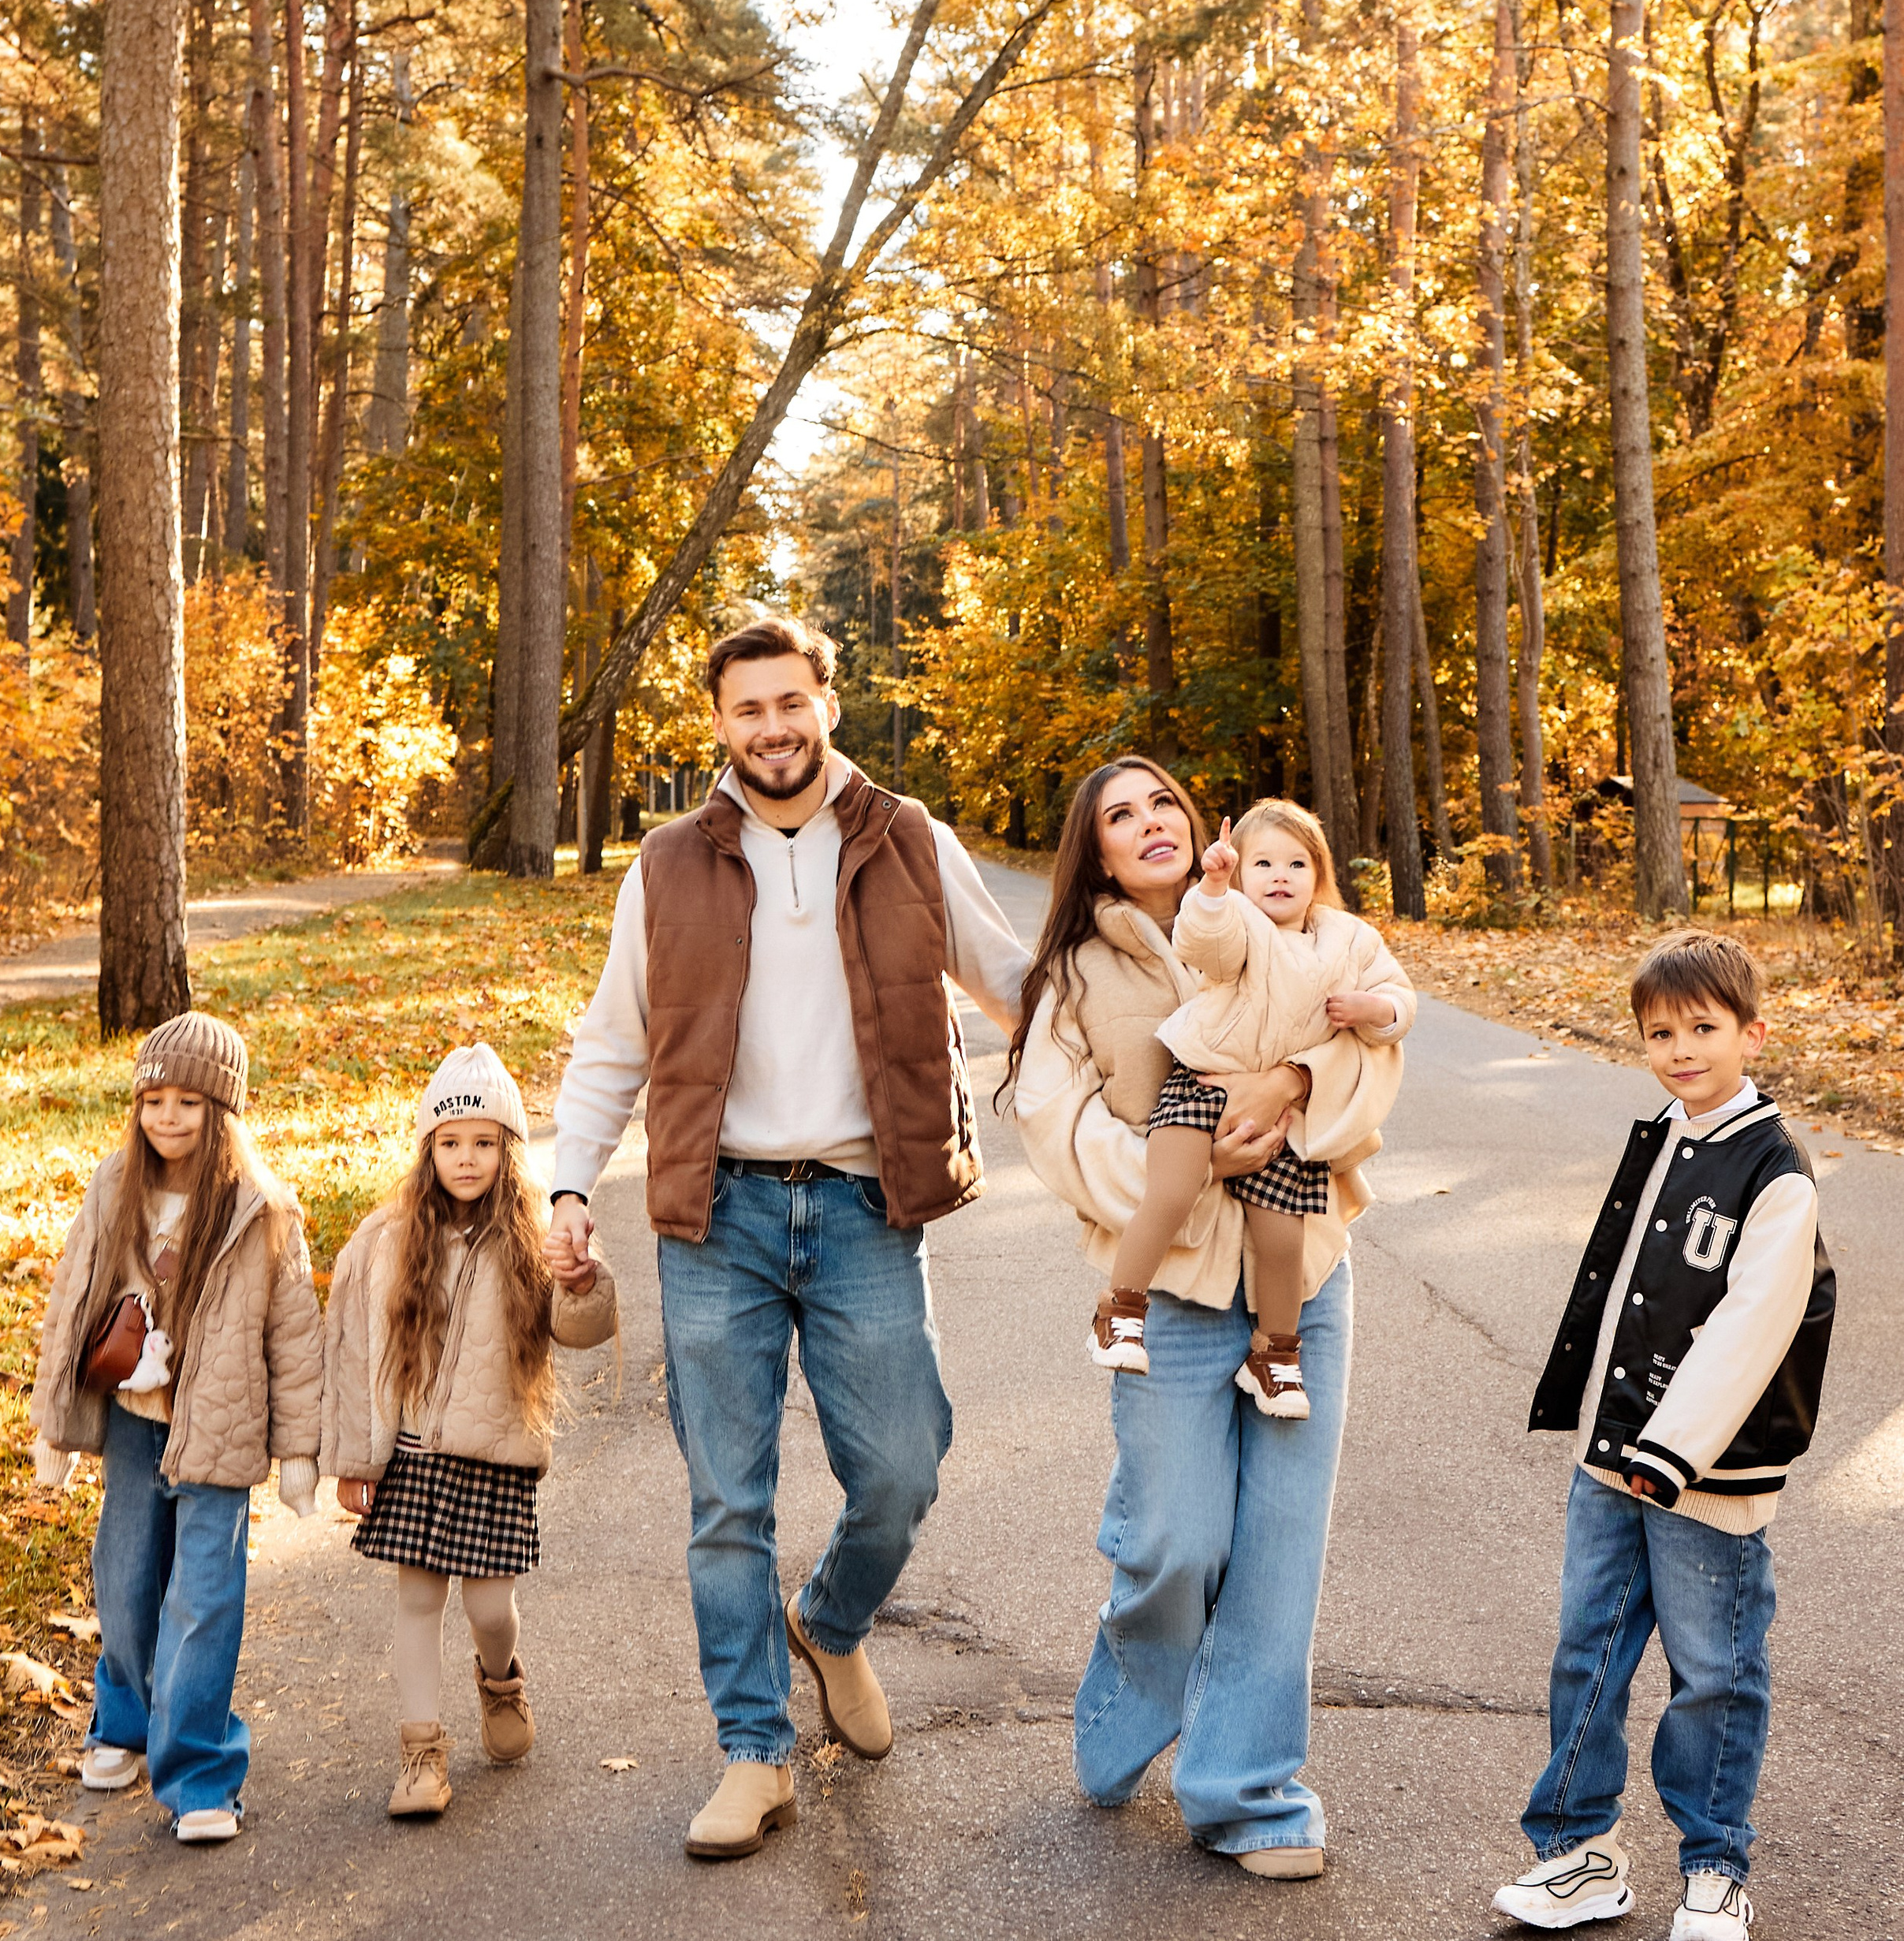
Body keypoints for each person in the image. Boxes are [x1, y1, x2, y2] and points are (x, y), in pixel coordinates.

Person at [546, 610, 1027, 1861]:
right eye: (746, 710)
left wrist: (1171, 961)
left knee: (906, 1464)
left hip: (870, 1203)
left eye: (789, 702)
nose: (772, 728)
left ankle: (832, 1618)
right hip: (723, 1212)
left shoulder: (908, 840)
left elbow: (1024, 987)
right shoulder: (669, 865)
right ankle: (754, 1752)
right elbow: (612, 1043)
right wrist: (565, 1187)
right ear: (720, 725)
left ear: (827, 702)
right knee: (726, 1502)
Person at [1009, 759, 1406, 1875]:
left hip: (1302, 1277)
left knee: (1279, 1547)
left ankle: (1249, 1792)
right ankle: (1132, 1689)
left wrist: (1294, 1083)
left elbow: (1376, 1055)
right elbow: (1054, 1126)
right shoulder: (1077, 977)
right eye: (1118, 816)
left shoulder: (1307, 925)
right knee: (1180, 1539)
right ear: (1095, 851)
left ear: (1198, 823)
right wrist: (1176, 1173)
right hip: (1174, 1290)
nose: (1148, 825)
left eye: (1162, 805)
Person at [1493, 931, 1835, 1941]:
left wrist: (1673, 1449)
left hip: (1707, 1476)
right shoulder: (1661, 1135)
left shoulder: (1775, 1171)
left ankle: (1716, 1863)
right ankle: (1578, 1854)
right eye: (1660, 1032)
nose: (1681, 1049)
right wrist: (1602, 1423)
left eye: (1703, 1028)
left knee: (1715, 1671)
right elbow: (1616, 1296)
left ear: (1751, 1031)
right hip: (1612, 1456)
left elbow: (1752, 1324)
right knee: (1586, 1653)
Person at [28, 1012, 324, 1844]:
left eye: (188, 1102)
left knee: (202, 1598)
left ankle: (198, 1773)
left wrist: (298, 1449)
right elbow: (71, 1305)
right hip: (132, 1423)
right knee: (123, 1584)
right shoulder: (112, 1186)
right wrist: (55, 1424)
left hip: (222, 1430)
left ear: (221, 1111)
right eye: (153, 1099)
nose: (167, 1117)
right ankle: (121, 1724)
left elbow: (294, 1336)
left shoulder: (262, 1209)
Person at [321, 1045, 617, 1819]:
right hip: (413, 1456)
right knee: (418, 1602)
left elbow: (579, 1329)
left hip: (495, 1454)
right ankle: (420, 1757)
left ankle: (501, 1679)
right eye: (450, 1143)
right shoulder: (387, 1241)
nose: (466, 1158)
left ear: (508, 1152)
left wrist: (584, 1281)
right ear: (427, 1150)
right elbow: (357, 1354)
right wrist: (356, 1458)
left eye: (484, 1143)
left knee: (488, 1609)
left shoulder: (530, 1242)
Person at [1091, 798, 1413, 1415]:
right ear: (1243, 876)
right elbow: (1203, 943)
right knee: (1174, 1187)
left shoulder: (1349, 939)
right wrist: (1212, 887)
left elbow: (1397, 997)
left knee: (1283, 1237)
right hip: (1201, 1082)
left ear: (1320, 874)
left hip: (1284, 1119)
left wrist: (1376, 1011)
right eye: (1263, 863)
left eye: (1297, 863)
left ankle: (1275, 1354)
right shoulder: (1239, 921)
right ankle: (1121, 1309)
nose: (1280, 876)